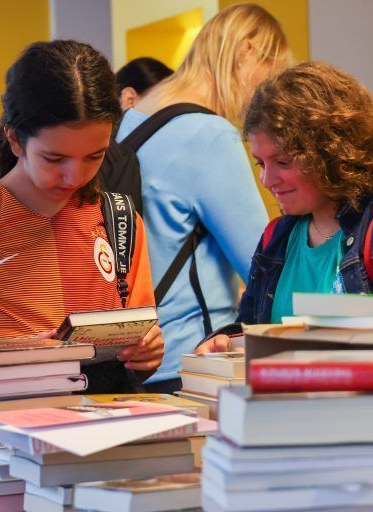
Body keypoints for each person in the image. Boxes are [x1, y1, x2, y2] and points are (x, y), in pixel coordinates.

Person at [0, 40, 164, 402]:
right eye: (54, 158)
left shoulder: (120, 221)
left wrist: (147, 353)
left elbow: (141, 349)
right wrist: (10, 367)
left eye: (95, 156)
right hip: (0, 444)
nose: (74, 176)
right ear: (15, 140)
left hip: (108, 440)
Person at [197, 61, 373, 353]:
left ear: (332, 153)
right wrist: (227, 344)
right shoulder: (276, 237)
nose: (266, 180)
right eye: (260, 163)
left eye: (283, 162)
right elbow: (252, 332)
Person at [115, 3, 291, 392]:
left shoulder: (131, 121)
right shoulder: (208, 134)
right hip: (192, 362)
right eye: (270, 72)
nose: (265, 93)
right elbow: (265, 265)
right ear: (246, 51)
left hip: (133, 360)